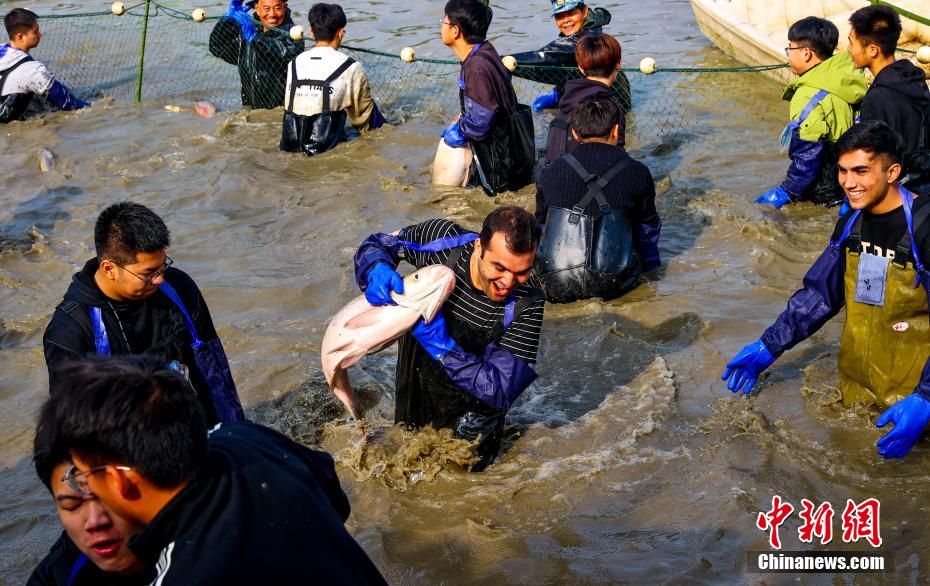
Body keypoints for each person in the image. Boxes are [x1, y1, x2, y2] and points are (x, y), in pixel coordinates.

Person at [36, 355, 387, 585]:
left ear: (120, 479)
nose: (87, 492)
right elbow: (333, 497)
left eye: (85, 477)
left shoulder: (184, 573)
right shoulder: (248, 439)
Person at [723, 121, 930, 460]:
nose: (849, 183)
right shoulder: (851, 222)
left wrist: (926, 398)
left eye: (861, 170)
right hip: (859, 390)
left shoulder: (924, 225)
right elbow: (820, 295)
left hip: (915, 401)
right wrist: (769, 344)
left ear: (892, 171)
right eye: (843, 171)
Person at [354, 207, 545, 471]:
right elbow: (379, 243)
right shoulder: (443, 242)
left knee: (459, 482)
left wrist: (443, 348)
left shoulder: (528, 304)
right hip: (416, 379)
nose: (508, 282)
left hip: (474, 413)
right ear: (479, 246)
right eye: (498, 267)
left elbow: (499, 391)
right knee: (402, 454)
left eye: (522, 271)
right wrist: (375, 266)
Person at [42, 201, 244, 425]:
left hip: (187, 424)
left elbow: (213, 374)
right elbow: (76, 424)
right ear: (109, 268)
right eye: (148, 273)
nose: (159, 279)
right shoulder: (69, 331)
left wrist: (234, 434)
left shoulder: (178, 288)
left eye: (162, 266)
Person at [536, 99, 660, 302]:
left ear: (574, 134)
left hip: (555, 279)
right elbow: (648, 229)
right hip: (615, 282)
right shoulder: (638, 172)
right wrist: (652, 271)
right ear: (616, 130)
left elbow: (540, 225)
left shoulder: (549, 172)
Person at [754, 17, 866, 209]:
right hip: (846, 184)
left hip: (821, 188)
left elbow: (808, 153)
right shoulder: (844, 82)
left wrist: (787, 191)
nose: (788, 54)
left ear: (806, 53)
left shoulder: (807, 95)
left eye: (790, 48)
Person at [434, 0, 534, 195]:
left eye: (443, 22)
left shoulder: (476, 66)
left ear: (455, 30)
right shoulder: (485, 49)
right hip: (515, 154)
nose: (441, 27)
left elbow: (482, 121)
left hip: (500, 164)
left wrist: (460, 131)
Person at [29, 430, 151, 585]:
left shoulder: (188, 547)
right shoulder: (58, 576)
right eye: (71, 505)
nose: (95, 521)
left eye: (108, 498)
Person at [279, 3, 385, 157]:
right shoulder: (351, 67)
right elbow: (364, 119)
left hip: (288, 147)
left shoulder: (294, 63)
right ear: (341, 33)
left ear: (311, 31)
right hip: (324, 150)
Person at [848, 4, 930, 196]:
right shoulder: (913, 79)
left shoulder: (877, 98)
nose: (849, 49)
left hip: (900, 194)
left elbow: (875, 159)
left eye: (852, 43)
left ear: (873, 50)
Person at [544, 32, 625, 164]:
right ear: (618, 64)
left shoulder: (566, 101)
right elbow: (617, 156)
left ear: (581, 68)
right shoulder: (609, 107)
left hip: (554, 172)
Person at [209, 0, 305, 110]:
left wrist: (255, 38)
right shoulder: (247, 31)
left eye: (277, 8)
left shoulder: (293, 35)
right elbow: (217, 48)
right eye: (266, 9)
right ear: (257, 9)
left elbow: (282, 54)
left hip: (283, 112)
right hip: (250, 109)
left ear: (285, 7)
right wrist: (227, 21)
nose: (272, 14)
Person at [1, 8, 87, 124]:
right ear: (20, 37)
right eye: (35, 32)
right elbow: (70, 104)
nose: (40, 35)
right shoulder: (34, 71)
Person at [530, 0, 613, 112]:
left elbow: (550, 54)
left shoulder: (590, 38)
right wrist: (558, 93)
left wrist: (505, 62)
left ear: (584, 11)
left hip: (609, 103)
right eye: (559, 16)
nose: (565, 20)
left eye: (570, 13)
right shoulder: (582, 29)